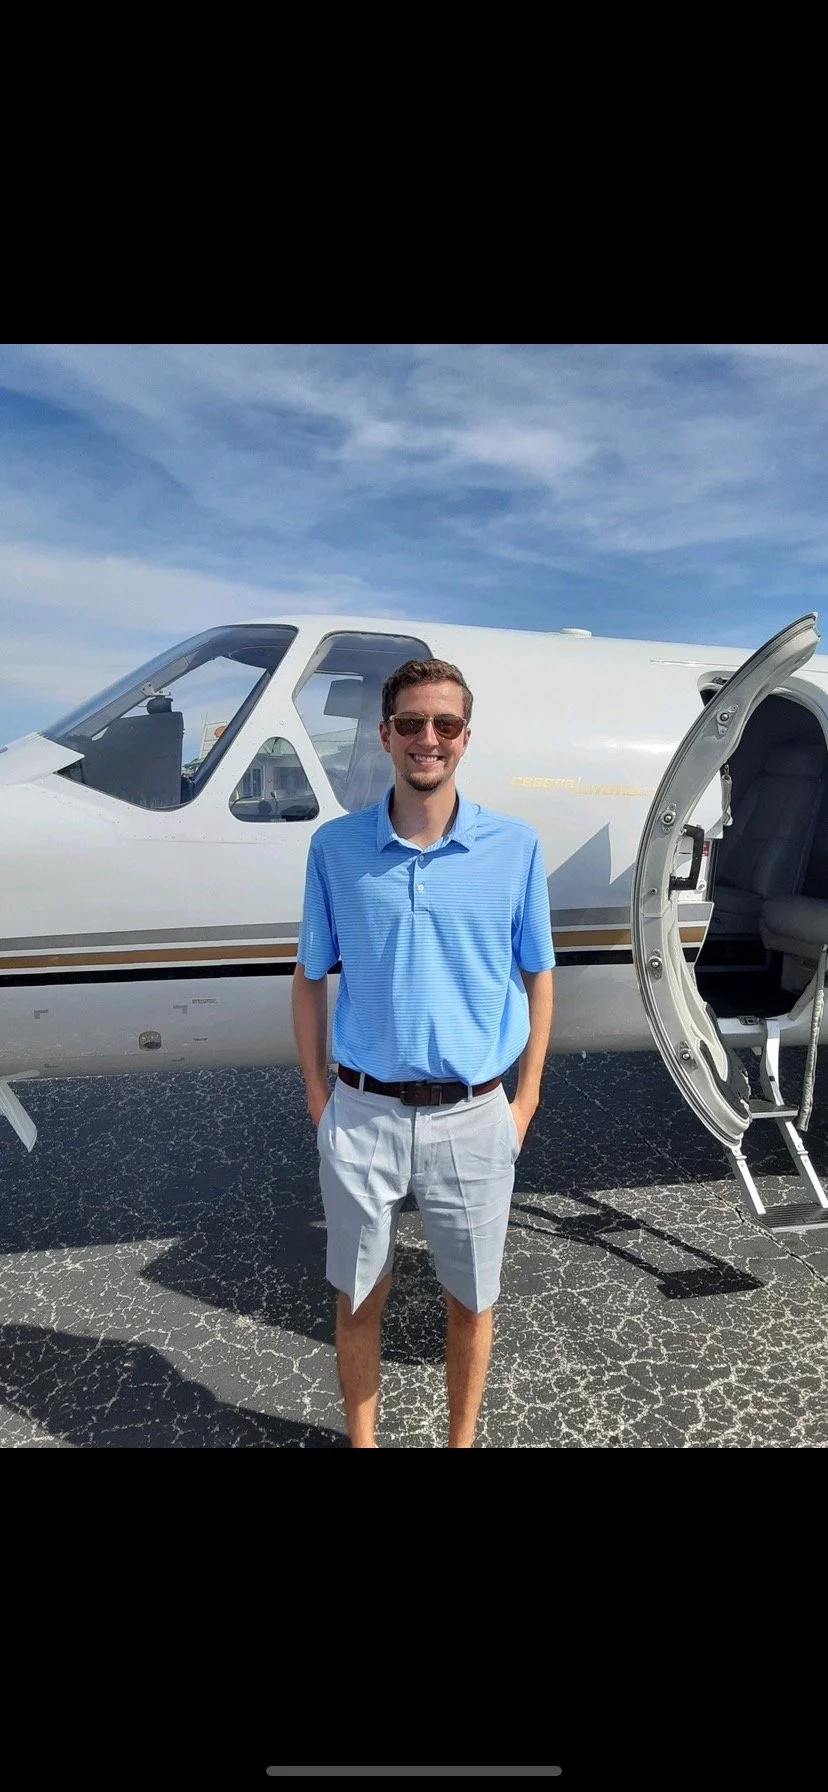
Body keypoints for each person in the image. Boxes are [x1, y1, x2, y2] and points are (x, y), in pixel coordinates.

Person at [292, 657, 555, 1447]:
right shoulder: (335, 850)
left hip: (474, 1114)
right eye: (411, 723)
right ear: (386, 735)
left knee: (472, 1302)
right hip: (363, 1113)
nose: (427, 739)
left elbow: (539, 977)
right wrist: (318, 1098)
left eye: (444, 725)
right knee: (358, 1297)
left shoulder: (516, 848)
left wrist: (526, 1099)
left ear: (465, 738)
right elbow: (309, 980)